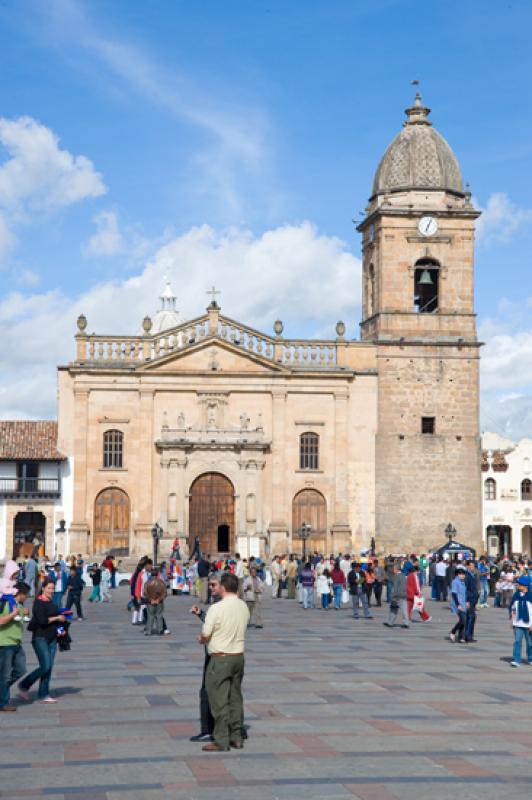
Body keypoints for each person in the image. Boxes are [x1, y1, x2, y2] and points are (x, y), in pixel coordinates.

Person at [199, 572, 249, 752]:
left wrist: (202, 639)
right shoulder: (244, 606)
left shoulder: (216, 608)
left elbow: (205, 634)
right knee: (235, 698)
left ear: (223, 587)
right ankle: (236, 736)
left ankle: (221, 739)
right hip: (238, 657)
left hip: (220, 658)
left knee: (219, 700)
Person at [18, 577, 66, 703]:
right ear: (43, 588)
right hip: (40, 638)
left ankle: (44, 694)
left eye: (53, 588)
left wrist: (61, 626)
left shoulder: (52, 601)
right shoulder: (38, 602)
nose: (51, 591)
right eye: (49, 588)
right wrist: (56, 618)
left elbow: (56, 618)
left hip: (52, 638)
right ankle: (24, 684)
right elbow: (43, 621)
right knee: (45, 666)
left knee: (48, 668)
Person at [0, 581, 30, 712]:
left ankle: (2, 690)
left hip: (17, 643)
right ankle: (3, 703)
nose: (27, 597)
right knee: (5, 675)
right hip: (5, 643)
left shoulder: (19, 605)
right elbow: (1, 621)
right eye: (26, 594)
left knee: (21, 670)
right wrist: (13, 614)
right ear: (20, 593)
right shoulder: (6, 604)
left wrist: (26, 613)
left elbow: (23, 620)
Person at [509, 575, 532, 667]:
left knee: (530, 643)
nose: (517, 585)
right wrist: (512, 620)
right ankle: (516, 660)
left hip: (529, 624)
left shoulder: (530, 596)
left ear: (525, 585)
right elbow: (512, 608)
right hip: (518, 623)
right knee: (517, 641)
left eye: (519, 584)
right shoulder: (516, 595)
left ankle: (530, 658)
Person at [384, 562, 409, 628]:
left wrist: (394, 596)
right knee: (404, 610)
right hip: (403, 594)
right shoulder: (403, 575)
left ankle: (390, 622)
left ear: (396, 569)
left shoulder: (397, 577)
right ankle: (406, 623)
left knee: (393, 609)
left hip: (397, 596)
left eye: (394, 569)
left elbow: (395, 587)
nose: (393, 570)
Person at [144, 568, 167, 636]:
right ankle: (160, 630)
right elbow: (165, 593)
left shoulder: (147, 583)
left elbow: (145, 593)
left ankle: (148, 631)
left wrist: (151, 599)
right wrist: (158, 600)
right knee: (159, 616)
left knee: (150, 616)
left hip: (150, 602)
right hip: (159, 603)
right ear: (157, 575)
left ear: (151, 575)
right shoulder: (161, 582)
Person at [449, 566, 467, 642]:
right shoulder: (455, 582)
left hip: (464, 604)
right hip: (458, 604)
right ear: (457, 575)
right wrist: (457, 604)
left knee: (463, 621)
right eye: (461, 574)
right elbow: (454, 593)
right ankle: (453, 631)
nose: (463, 575)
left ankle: (461, 637)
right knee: (463, 620)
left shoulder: (463, 582)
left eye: (464, 574)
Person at [464, 560, 479, 643]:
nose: (472, 567)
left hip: (473, 600)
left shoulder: (472, 575)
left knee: (472, 618)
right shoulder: (467, 576)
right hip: (469, 600)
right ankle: (467, 636)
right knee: (470, 618)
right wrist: (467, 601)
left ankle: (469, 635)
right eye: (471, 566)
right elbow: (465, 589)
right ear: (468, 566)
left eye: (473, 566)